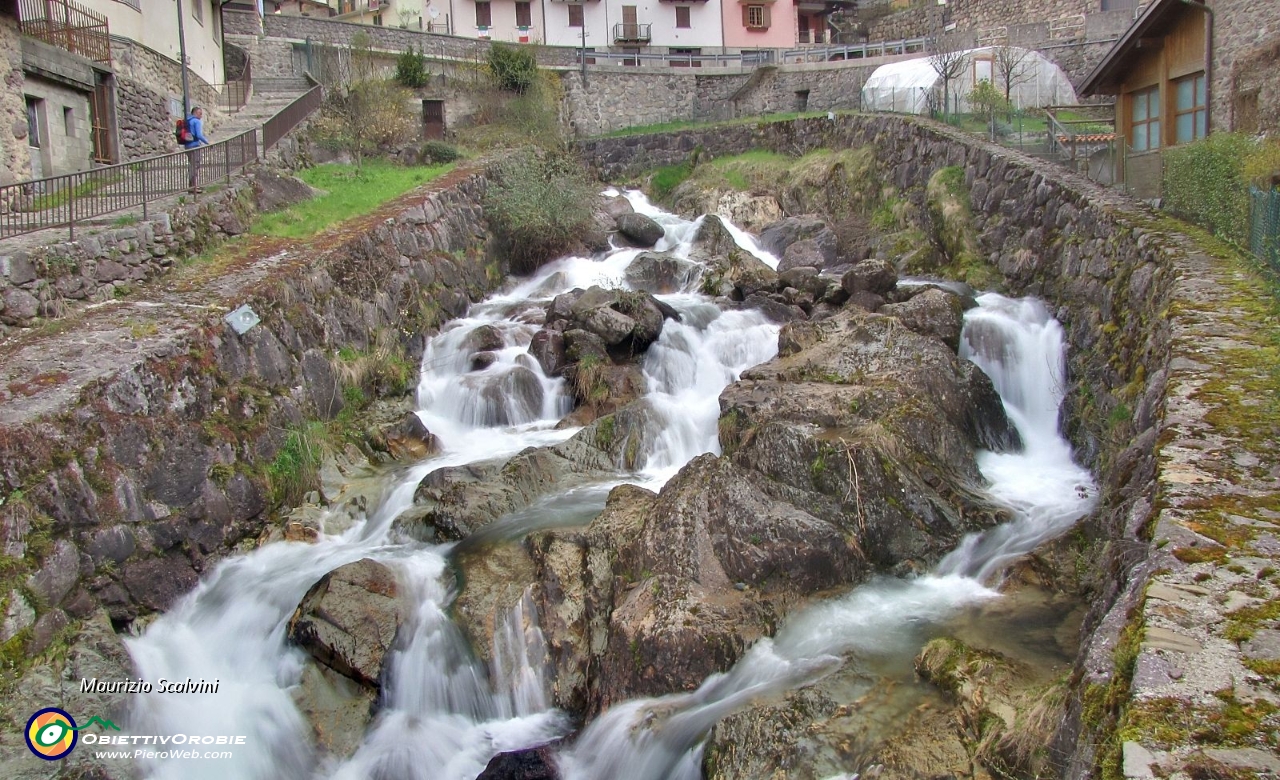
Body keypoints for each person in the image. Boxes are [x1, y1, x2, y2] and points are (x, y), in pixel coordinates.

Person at [184, 106, 210, 194]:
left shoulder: (187, 121)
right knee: (195, 166)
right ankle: (193, 187)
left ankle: (192, 186)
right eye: (200, 113)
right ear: (195, 113)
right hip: (194, 146)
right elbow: (198, 135)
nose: (201, 115)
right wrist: (207, 143)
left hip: (187, 146)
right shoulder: (196, 121)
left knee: (192, 165)